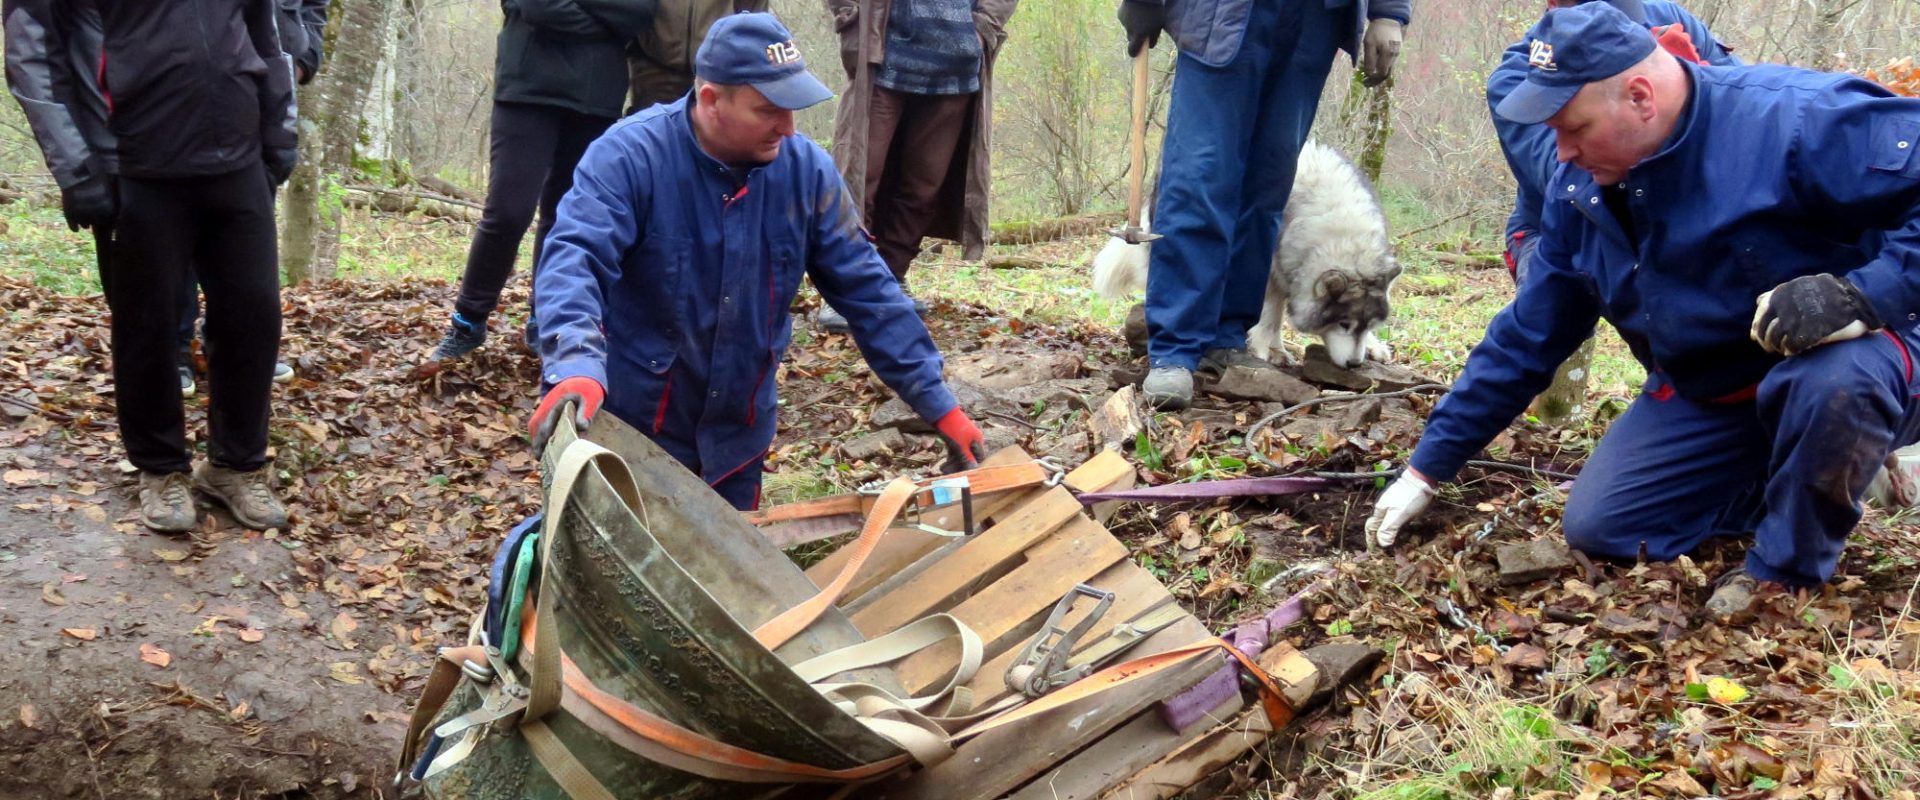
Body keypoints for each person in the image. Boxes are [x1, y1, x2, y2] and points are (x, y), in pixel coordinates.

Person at [1365, 2, 1920, 617]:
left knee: (1830, 384)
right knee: (1605, 525)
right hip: (1720, 388)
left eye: (1574, 128)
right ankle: (1808, 475)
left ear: (1639, 97)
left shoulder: (1795, 120)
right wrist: (1426, 468)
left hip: (1871, 357)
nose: (1563, 152)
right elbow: (1527, 339)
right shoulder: (1578, 190)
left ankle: (1782, 575)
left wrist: (1865, 295)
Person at [527, 12, 990, 511]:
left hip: (736, 440)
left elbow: (870, 291)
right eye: (769, 110)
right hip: (631, 434)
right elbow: (574, 259)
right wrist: (574, 363)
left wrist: (939, 404)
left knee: (726, 581)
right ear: (711, 100)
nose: (789, 127)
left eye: (794, 108)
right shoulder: (628, 157)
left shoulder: (807, 173)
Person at [6, 0, 301, 533]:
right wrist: (77, 170)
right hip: (133, 165)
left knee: (254, 315)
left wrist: (279, 133)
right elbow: (31, 55)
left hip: (237, 159)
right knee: (146, 327)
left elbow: (269, 37)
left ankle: (234, 465)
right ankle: (161, 469)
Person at [1117, 0, 1411, 410]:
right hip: (1220, 16)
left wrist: (1388, 12)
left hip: (1315, 21)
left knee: (1268, 186)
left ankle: (1227, 338)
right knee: (1199, 177)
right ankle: (1175, 349)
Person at [423, 0, 656, 366]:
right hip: (527, 87)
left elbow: (636, 13)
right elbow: (539, 7)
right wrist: (601, 24)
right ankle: (468, 321)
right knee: (507, 212)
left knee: (567, 216)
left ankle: (547, 319)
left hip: (597, 96)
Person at [1491, 0, 1736, 283]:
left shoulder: (1668, 17)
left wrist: (1686, 83)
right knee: (1546, 301)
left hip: (1684, 204)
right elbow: (1578, 182)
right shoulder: (1515, 81)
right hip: (1553, 225)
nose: (1616, 28)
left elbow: (1738, 108)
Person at [816, 0, 1019, 332]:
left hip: (957, 65)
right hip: (885, 55)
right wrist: (850, 17)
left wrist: (983, 28)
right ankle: (844, 287)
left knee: (924, 187)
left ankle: (891, 278)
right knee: (859, 177)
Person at [176, 0, 332, 396]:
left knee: (244, 236)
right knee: (183, 220)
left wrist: (304, 56)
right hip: (193, 85)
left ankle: (232, 348)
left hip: (270, 85)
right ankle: (176, 348)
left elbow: (314, 6)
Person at [625, 0, 768, 115]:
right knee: (653, 139)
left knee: (716, 142)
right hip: (654, 66)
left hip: (718, 70)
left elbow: (752, 16)